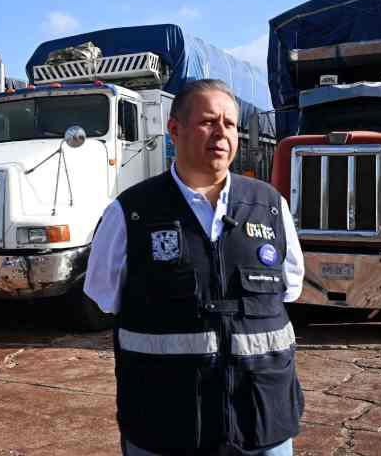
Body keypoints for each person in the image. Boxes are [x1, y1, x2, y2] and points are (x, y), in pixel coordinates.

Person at [84, 79, 305, 456]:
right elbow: (104, 298)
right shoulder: (131, 213)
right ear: (174, 128)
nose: (221, 133)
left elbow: (290, 288)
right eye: (207, 121)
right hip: (164, 425)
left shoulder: (270, 206)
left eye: (230, 124)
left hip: (262, 420)